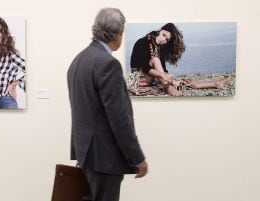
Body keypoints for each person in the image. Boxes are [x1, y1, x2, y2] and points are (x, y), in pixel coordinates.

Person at [67, 8, 148, 201]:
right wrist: (136, 157)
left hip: (85, 153)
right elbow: (119, 118)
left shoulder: (78, 61)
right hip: (104, 157)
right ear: (117, 33)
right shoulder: (107, 64)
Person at [129, 23, 230, 96]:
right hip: (139, 78)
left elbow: (162, 68)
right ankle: (169, 88)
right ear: (160, 31)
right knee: (156, 60)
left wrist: (165, 74)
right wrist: (162, 75)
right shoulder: (142, 42)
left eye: (166, 40)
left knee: (180, 82)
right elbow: (144, 67)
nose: (163, 39)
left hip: (151, 77)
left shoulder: (159, 48)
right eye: (164, 35)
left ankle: (215, 83)